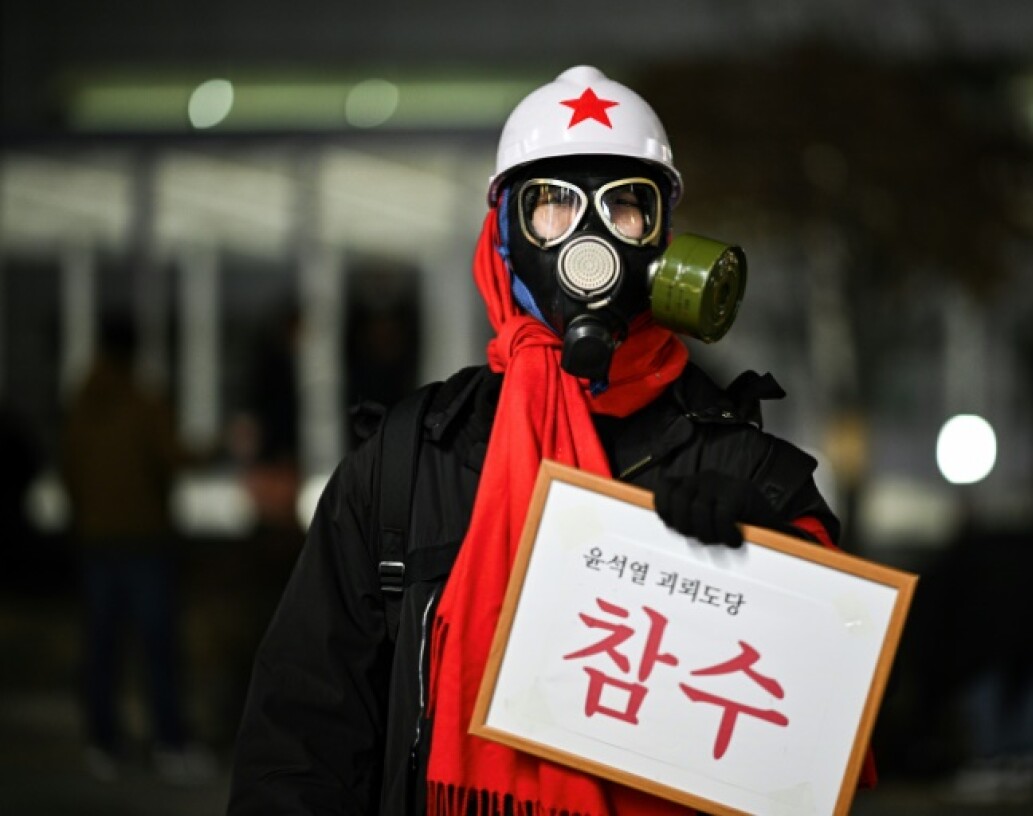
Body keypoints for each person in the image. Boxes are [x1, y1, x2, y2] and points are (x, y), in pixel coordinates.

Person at [228, 65, 864, 815]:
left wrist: (769, 566)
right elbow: (304, 734)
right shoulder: (409, 462)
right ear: (504, 237)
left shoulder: (748, 471)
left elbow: (824, 720)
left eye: (625, 206)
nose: (589, 239)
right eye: (553, 205)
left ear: (666, 241)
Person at [60, 313, 216, 783]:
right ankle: (170, 742)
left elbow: (70, 471)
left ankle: (103, 742)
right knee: (158, 648)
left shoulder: (82, 404)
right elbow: (174, 456)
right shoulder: (143, 403)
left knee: (102, 647)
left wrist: (86, 516)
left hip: (96, 541)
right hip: (144, 541)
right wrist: (217, 448)